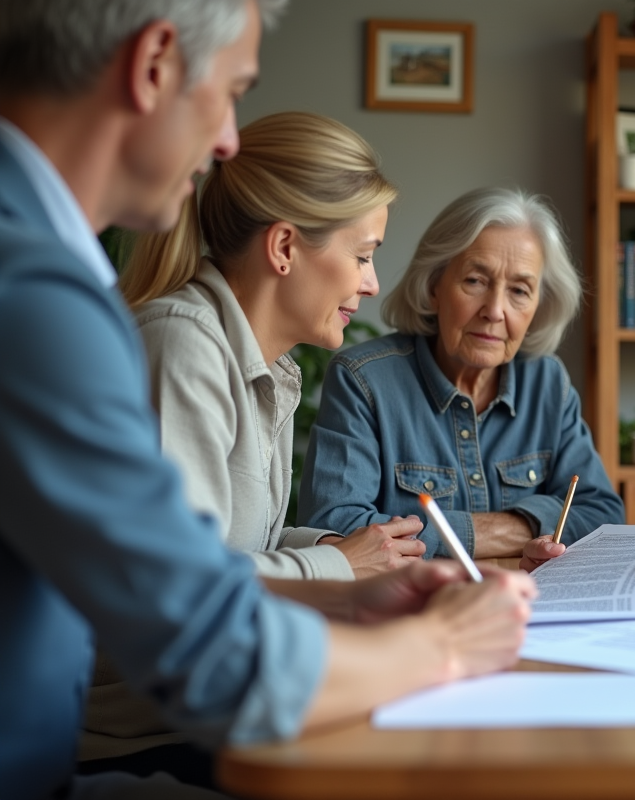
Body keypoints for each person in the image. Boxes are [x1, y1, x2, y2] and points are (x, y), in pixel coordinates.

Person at [0, 3, 534, 798]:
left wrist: (352, 593)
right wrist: (445, 644)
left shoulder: (70, 282)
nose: (225, 141)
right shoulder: (52, 298)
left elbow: (181, 570)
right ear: (153, 65)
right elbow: (214, 654)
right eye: (231, 90)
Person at [78, 111, 429, 777]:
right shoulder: (182, 344)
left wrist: (339, 551)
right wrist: (339, 569)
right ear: (285, 248)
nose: (371, 284)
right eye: (362, 255)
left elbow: (238, 547)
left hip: (206, 719)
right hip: (146, 740)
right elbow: (185, 588)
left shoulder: (270, 366)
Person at [299, 187, 623, 562]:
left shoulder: (548, 384)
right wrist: (521, 528)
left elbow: (603, 515)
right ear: (435, 285)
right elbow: (336, 528)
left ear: (539, 306)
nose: (494, 310)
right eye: (475, 281)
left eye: (519, 290)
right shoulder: (364, 380)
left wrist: (441, 533)